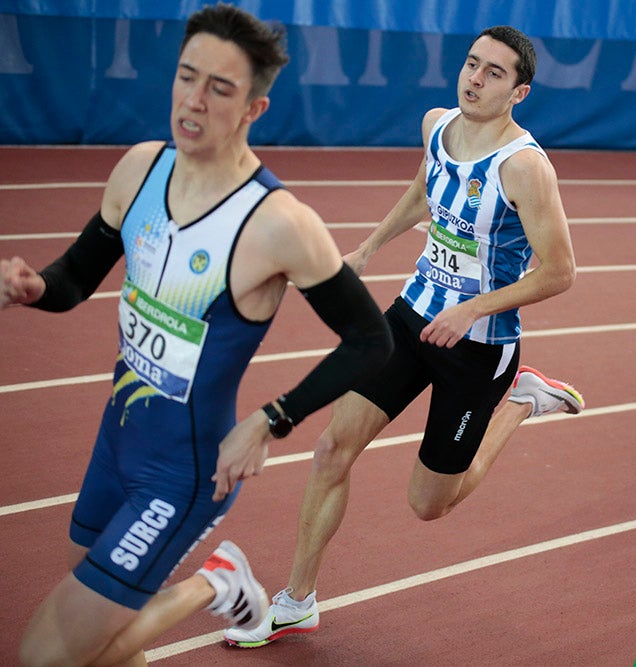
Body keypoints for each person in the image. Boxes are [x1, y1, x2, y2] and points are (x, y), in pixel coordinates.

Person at [5, 5, 392, 665]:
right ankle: (213, 581)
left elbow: (371, 339)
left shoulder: (278, 223)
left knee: (48, 655)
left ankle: (215, 581)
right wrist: (36, 288)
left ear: (255, 108)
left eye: (220, 88)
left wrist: (272, 419)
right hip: (116, 439)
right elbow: (75, 275)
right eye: (187, 77)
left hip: (182, 473)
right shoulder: (139, 169)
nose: (193, 100)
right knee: (96, 645)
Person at [223, 25, 583, 647]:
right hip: (412, 316)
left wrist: (473, 310)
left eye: (494, 73)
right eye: (472, 64)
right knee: (333, 448)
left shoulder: (525, 169)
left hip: (478, 347)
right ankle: (298, 599)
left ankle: (521, 401)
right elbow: (424, 193)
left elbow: (560, 272)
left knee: (428, 504)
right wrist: (366, 248)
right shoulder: (437, 126)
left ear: (518, 92)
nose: (475, 79)